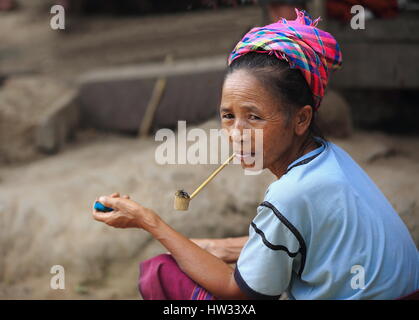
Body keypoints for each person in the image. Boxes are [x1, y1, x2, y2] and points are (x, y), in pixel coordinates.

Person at [92, 9, 419, 300]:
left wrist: (150, 222)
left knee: (161, 272)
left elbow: (241, 292)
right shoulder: (330, 159)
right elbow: (311, 245)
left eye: (255, 117)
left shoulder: (290, 194)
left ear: (301, 119)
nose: (236, 134)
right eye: (228, 116)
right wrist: (215, 247)